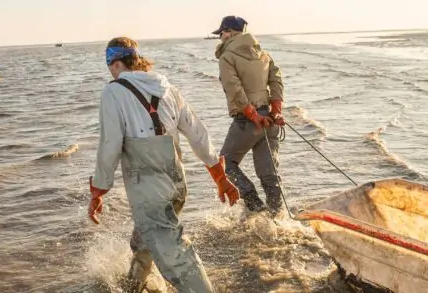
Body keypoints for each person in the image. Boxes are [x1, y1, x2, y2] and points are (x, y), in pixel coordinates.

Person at [87, 36, 241, 293]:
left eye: (109, 66)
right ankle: (133, 287)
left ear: (114, 62)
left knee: (176, 257)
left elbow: (109, 145)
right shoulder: (168, 89)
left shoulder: (113, 92)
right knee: (146, 241)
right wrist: (220, 178)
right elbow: (199, 135)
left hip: (150, 191)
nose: (110, 73)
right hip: (176, 185)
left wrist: (98, 190)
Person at [212, 16, 286, 216]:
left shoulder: (227, 57)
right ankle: (278, 216)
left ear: (229, 32)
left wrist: (253, 116)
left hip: (248, 121)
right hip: (269, 120)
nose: (220, 37)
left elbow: (235, 90)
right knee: (269, 173)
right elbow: (277, 82)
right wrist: (276, 110)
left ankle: (255, 206)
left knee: (225, 165)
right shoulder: (264, 54)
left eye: (221, 33)